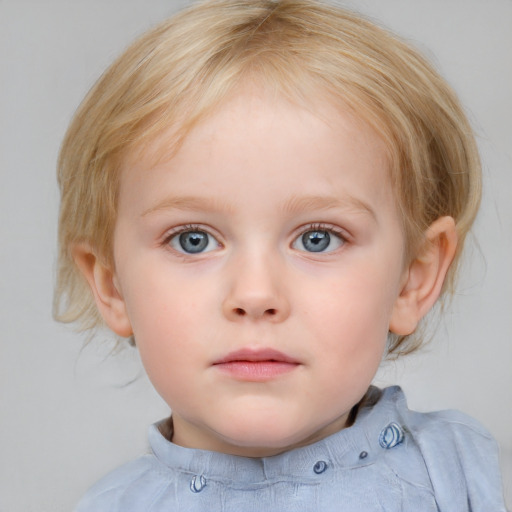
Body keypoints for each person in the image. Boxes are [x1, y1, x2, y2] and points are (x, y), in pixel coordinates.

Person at [54, 0, 507, 510]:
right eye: (192, 239)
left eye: (318, 238)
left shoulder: (468, 477)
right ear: (111, 285)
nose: (255, 294)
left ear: (413, 278)